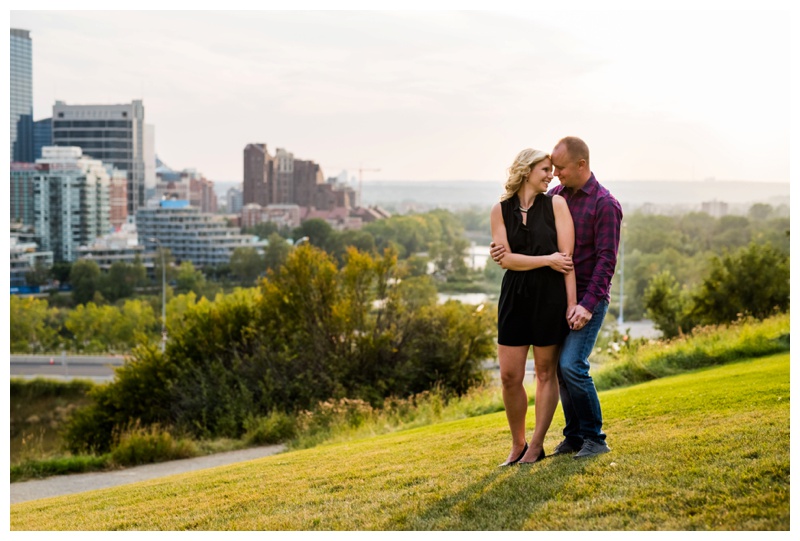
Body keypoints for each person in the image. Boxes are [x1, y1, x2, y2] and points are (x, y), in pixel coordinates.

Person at [491, 136, 622, 459]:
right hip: (542, 296)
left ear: (581, 165)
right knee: (548, 372)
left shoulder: (604, 204)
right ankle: (573, 436)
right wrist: (502, 252)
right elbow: (518, 243)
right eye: (549, 169)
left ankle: (594, 437)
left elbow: (606, 262)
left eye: (559, 168)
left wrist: (582, 304)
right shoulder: (557, 195)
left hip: (586, 296)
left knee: (570, 366)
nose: (554, 175)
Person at [491, 148, 576, 467]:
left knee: (544, 373)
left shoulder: (556, 204)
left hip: (549, 297)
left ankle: (537, 444)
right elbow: (506, 260)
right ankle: (517, 444)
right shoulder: (499, 210)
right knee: (510, 376)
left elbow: (566, 261)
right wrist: (546, 259)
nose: (551, 174)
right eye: (545, 169)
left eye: (552, 169)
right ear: (526, 171)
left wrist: (570, 304)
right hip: (514, 296)